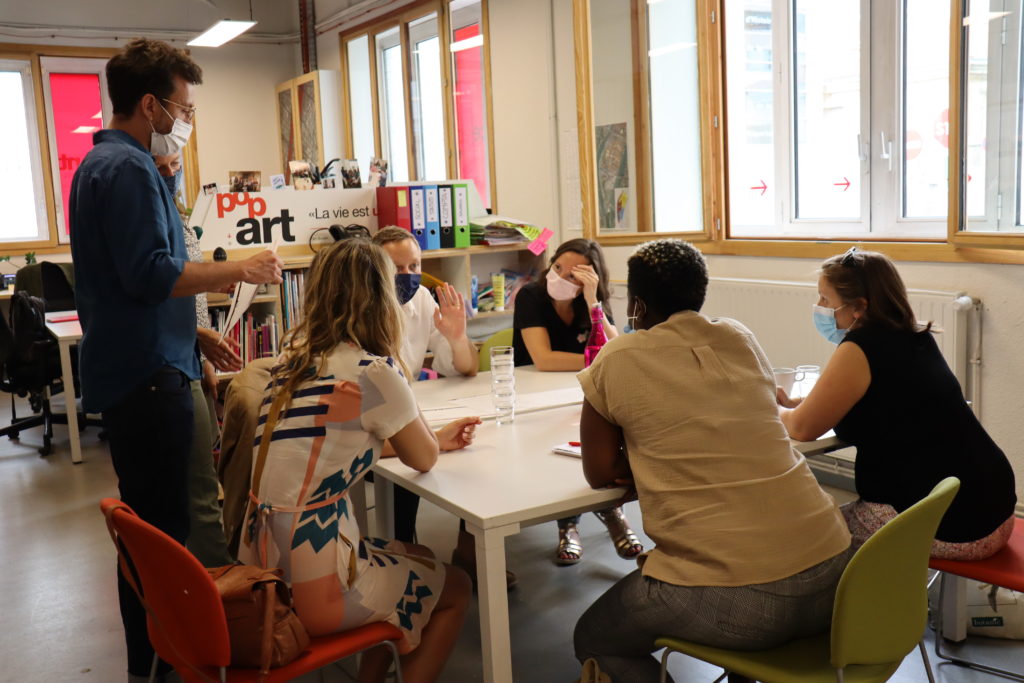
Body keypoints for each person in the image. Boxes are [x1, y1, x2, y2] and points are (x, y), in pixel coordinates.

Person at [69, 38, 283, 683]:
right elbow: (148, 273)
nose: (186, 123)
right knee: (169, 532)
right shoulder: (129, 170)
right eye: (182, 109)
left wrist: (190, 335)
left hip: (150, 361)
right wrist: (236, 269)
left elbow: (130, 280)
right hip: (149, 377)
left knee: (155, 528)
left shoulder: (111, 166)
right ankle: (180, 659)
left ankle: (158, 659)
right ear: (150, 105)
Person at [573, 240, 852, 683]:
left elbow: (599, 473)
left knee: (593, 637)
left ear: (637, 304)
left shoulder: (618, 357)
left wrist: (653, 458)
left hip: (739, 599)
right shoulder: (740, 337)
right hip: (835, 574)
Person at [237, 239, 471, 683]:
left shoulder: (291, 363)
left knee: (417, 554)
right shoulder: (372, 371)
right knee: (456, 586)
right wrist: (396, 367)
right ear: (383, 299)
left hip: (265, 567)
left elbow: (335, 442)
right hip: (320, 589)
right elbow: (423, 458)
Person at [779, 247, 1017, 559]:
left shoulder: (859, 347)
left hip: (957, 526)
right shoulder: (914, 338)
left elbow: (803, 428)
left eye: (826, 299)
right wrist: (800, 403)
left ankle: (854, 605)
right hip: (993, 508)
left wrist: (773, 408)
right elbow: (878, 397)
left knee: (808, 537)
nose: (819, 307)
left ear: (859, 307)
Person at [371, 227, 512, 587]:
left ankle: (469, 547)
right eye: (396, 268)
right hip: (370, 419)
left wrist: (457, 335)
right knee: (411, 459)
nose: (407, 276)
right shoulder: (362, 305)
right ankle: (405, 548)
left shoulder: (421, 299)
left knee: (472, 444)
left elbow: (463, 367)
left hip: (408, 408)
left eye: (414, 265)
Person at [512, 238, 642, 565]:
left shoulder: (591, 301)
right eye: (557, 268)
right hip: (532, 393)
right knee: (560, 449)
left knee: (599, 441)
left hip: (579, 391)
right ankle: (569, 522)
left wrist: (592, 301)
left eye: (574, 275)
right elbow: (543, 358)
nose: (560, 277)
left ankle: (610, 510)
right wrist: (593, 358)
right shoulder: (531, 295)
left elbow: (616, 350)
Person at [154, 151, 239, 567]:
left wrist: (203, 353)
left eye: (175, 165)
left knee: (203, 479)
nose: (170, 173)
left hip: (191, 357)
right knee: (198, 490)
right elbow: (160, 291)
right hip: (171, 365)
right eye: (161, 167)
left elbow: (194, 296)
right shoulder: (147, 215)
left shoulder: (176, 211)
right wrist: (196, 337)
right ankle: (222, 590)